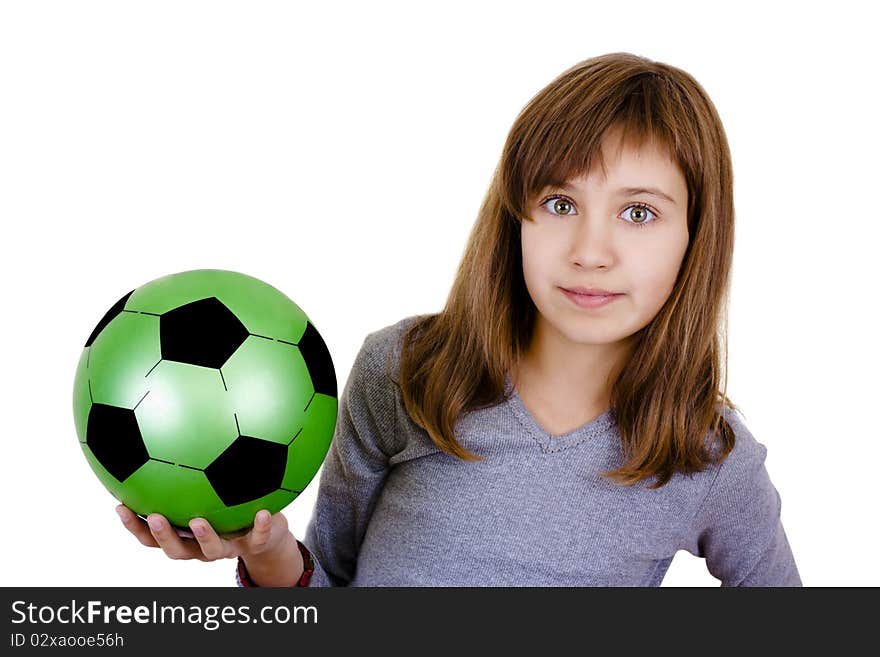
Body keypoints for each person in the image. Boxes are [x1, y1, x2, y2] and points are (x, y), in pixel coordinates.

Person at [117, 51, 802, 586]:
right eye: (561, 203)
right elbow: (324, 588)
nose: (591, 252)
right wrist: (265, 553)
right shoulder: (403, 372)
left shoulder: (707, 459)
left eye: (639, 212)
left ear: (697, 237)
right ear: (516, 218)